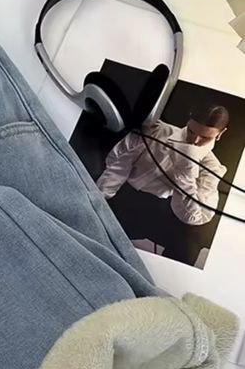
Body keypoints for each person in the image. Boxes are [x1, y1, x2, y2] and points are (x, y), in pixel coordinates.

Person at [95, 105, 229, 265]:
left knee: (188, 245)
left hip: (161, 211)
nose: (195, 140)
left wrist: (185, 171)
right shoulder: (156, 130)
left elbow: (193, 217)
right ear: (189, 119)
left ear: (220, 133)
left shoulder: (212, 168)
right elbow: (117, 164)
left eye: (205, 137)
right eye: (191, 131)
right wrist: (99, 200)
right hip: (123, 195)